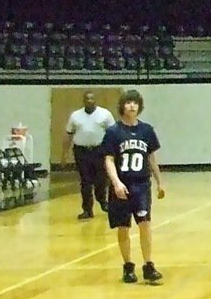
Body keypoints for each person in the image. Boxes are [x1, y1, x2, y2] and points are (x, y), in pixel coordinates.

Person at [101, 89, 165, 284]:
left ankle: (148, 264)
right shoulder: (113, 132)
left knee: (145, 224)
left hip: (141, 184)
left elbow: (151, 158)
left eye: (135, 103)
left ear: (139, 106)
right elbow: (109, 160)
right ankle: (128, 266)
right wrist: (116, 182)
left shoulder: (147, 130)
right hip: (122, 184)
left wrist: (159, 181)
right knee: (123, 227)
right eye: (128, 102)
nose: (131, 106)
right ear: (122, 106)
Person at [63, 91, 115, 219]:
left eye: (92, 99)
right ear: (84, 101)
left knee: (101, 179)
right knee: (85, 181)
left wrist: (114, 152)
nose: (90, 101)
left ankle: (103, 201)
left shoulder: (105, 114)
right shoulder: (75, 116)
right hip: (82, 151)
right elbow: (68, 135)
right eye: (87, 99)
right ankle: (87, 209)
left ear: (95, 100)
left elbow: (114, 134)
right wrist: (64, 154)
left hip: (99, 151)